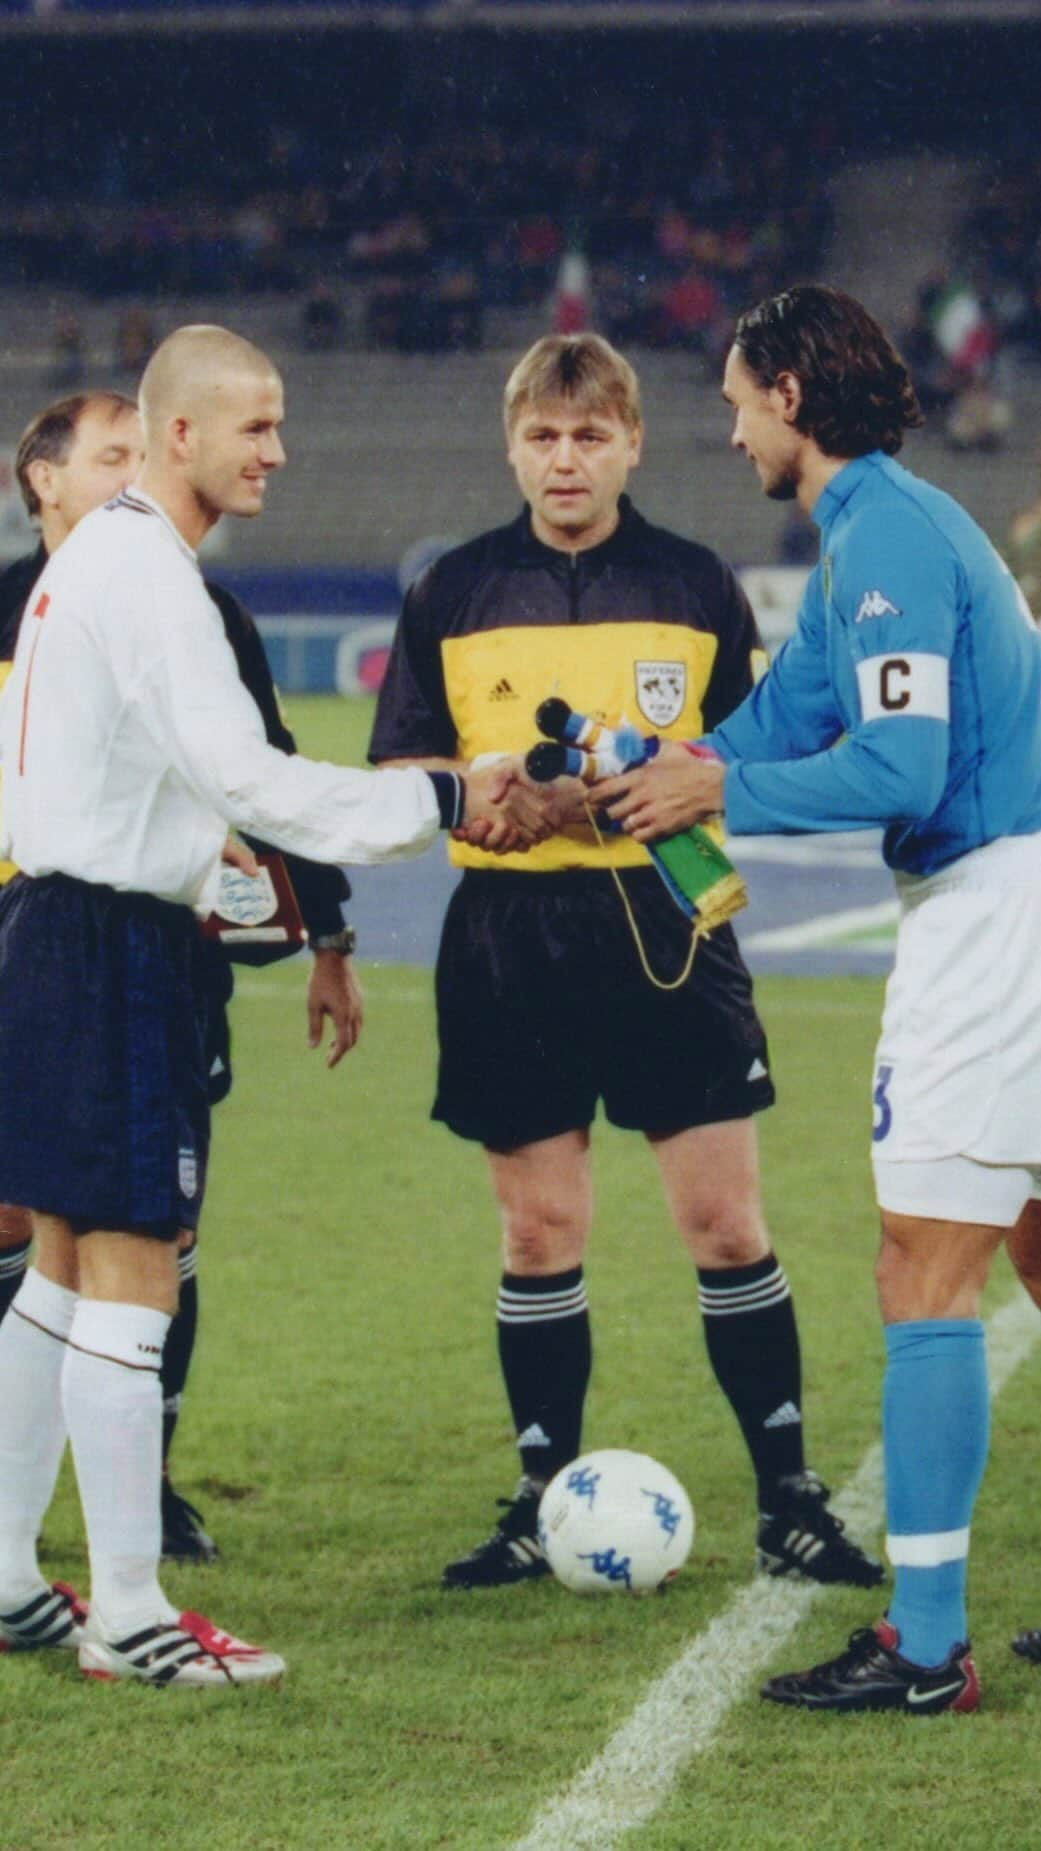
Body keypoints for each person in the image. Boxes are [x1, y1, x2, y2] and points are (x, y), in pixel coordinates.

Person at [0, 324, 534, 1687]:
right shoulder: (151, 574)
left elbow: (149, 774)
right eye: (257, 426)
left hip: (53, 927)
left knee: (57, 1270)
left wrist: (191, 838)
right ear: (179, 434)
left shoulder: (91, 561)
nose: (279, 452)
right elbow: (264, 780)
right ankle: (129, 1614)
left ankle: (10, 1577)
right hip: (113, 945)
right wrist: (447, 794)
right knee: (133, 1267)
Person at [369, 331, 883, 1594]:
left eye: (590, 435)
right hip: (507, 940)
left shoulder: (698, 581)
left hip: (664, 926)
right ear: (511, 446)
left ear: (632, 444)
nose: (565, 460)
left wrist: (611, 805)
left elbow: (726, 763)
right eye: (543, 437)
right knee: (539, 1234)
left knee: (724, 1222)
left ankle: (789, 1500)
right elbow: (400, 772)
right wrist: (494, 796)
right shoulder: (453, 590)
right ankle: (543, 1498)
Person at [594, 284, 1041, 1712]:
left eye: (734, 400)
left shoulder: (889, 535)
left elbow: (897, 772)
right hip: (1019, 890)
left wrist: (713, 791)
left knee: (922, 1264)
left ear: (790, 391)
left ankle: (920, 1644)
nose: (726, 432)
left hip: (996, 910)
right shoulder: (872, 532)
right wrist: (636, 775)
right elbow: (774, 725)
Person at [0, 388, 364, 1564]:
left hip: (153, 960)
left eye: (136, 452)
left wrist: (333, 937)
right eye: (107, 457)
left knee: (159, 1232)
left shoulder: (204, 612)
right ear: (39, 480)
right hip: (42, 950)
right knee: (33, 1233)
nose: (130, 473)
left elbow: (271, 777)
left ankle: (138, 1484)